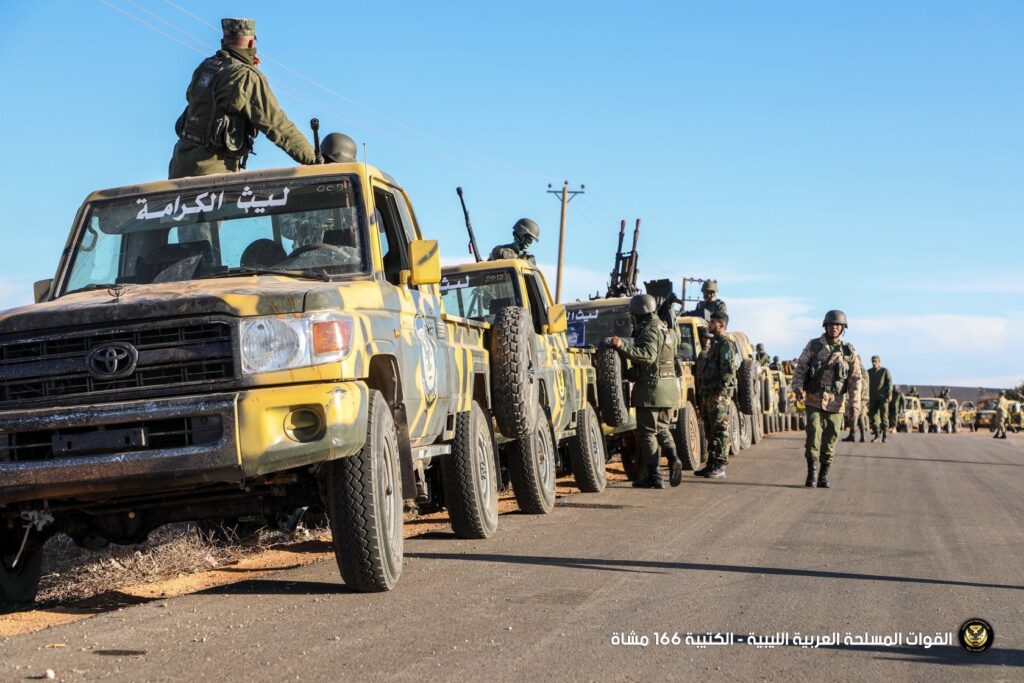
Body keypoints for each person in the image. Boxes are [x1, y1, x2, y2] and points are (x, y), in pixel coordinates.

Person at [168, 18, 316, 179]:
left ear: (223, 41)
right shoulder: (247, 76)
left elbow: (198, 98)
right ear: (251, 44)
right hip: (213, 174)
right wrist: (315, 160)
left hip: (179, 166)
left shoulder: (205, 67)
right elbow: (278, 126)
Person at [608, 294, 684, 488]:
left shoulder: (650, 330)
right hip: (668, 388)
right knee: (663, 428)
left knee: (647, 433)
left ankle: (655, 476)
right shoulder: (665, 328)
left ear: (638, 313)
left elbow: (648, 356)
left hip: (651, 390)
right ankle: (674, 458)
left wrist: (621, 345)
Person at [791, 310, 862, 488]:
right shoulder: (814, 346)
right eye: (831, 325)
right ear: (826, 326)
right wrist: (798, 388)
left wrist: (855, 405)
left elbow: (855, 380)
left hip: (836, 404)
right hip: (814, 399)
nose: (834, 328)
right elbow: (800, 368)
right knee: (813, 436)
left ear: (843, 328)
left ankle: (823, 475)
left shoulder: (848, 351)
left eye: (838, 325)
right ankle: (812, 474)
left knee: (830, 441)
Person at [694, 310, 737, 479]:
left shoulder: (726, 343)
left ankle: (720, 465)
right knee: (710, 429)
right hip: (709, 393)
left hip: (719, 394)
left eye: (712, 322)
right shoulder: (715, 344)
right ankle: (711, 463)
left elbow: (728, 370)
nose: (709, 324)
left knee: (720, 429)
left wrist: (720, 391)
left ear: (722, 325)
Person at [867, 355, 893, 442]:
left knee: (884, 416)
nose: (874, 363)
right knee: (873, 416)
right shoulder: (869, 372)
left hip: (883, 397)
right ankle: (877, 434)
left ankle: (885, 436)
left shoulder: (884, 371)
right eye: (873, 361)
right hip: (873, 397)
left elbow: (890, 383)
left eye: (875, 361)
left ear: (879, 362)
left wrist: (889, 394)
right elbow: (865, 384)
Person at [842, 365, 869, 443]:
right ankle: (861, 436)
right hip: (863, 397)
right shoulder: (864, 371)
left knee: (855, 415)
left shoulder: (859, 370)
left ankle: (853, 435)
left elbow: (859, 384)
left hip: (859, 396)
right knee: (860, 416)